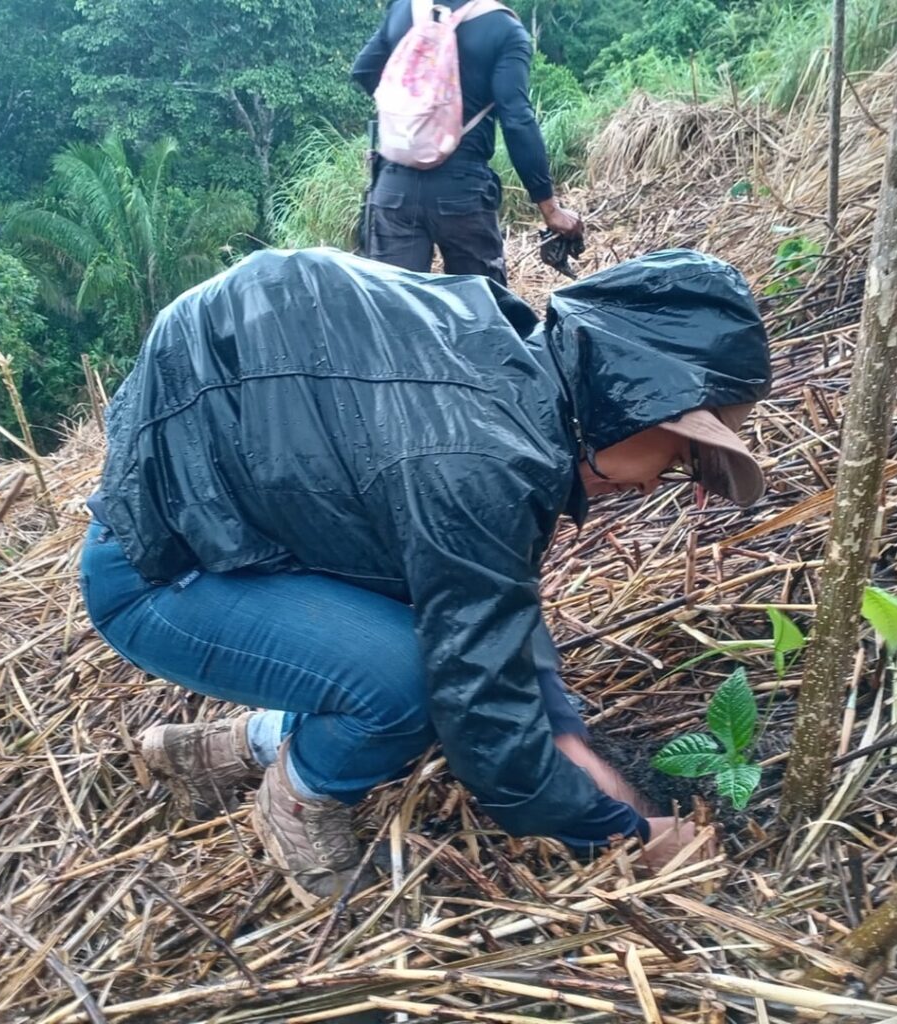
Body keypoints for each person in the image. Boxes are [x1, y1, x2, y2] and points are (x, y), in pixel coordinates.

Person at [80, 247, 771, 907]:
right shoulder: (481, 460)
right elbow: (481, 713)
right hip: (160, 572)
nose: (667, 479)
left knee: (435, 647)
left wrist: (559, 728)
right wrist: (622, 834)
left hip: (236, 534)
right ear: (636, 399)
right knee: (415, 686)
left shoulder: (511, 370)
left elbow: (495, 609)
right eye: (685, 450)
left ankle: (226, 749)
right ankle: (297, 794)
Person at [351, 0, 583, 285]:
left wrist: (413, 110)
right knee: (483, 310)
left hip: (395, 187)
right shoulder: (504, 28)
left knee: (396, 310)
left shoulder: (405, 8)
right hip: (462, 190)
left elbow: (363, 70)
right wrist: (549, 208)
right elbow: (517, 121)